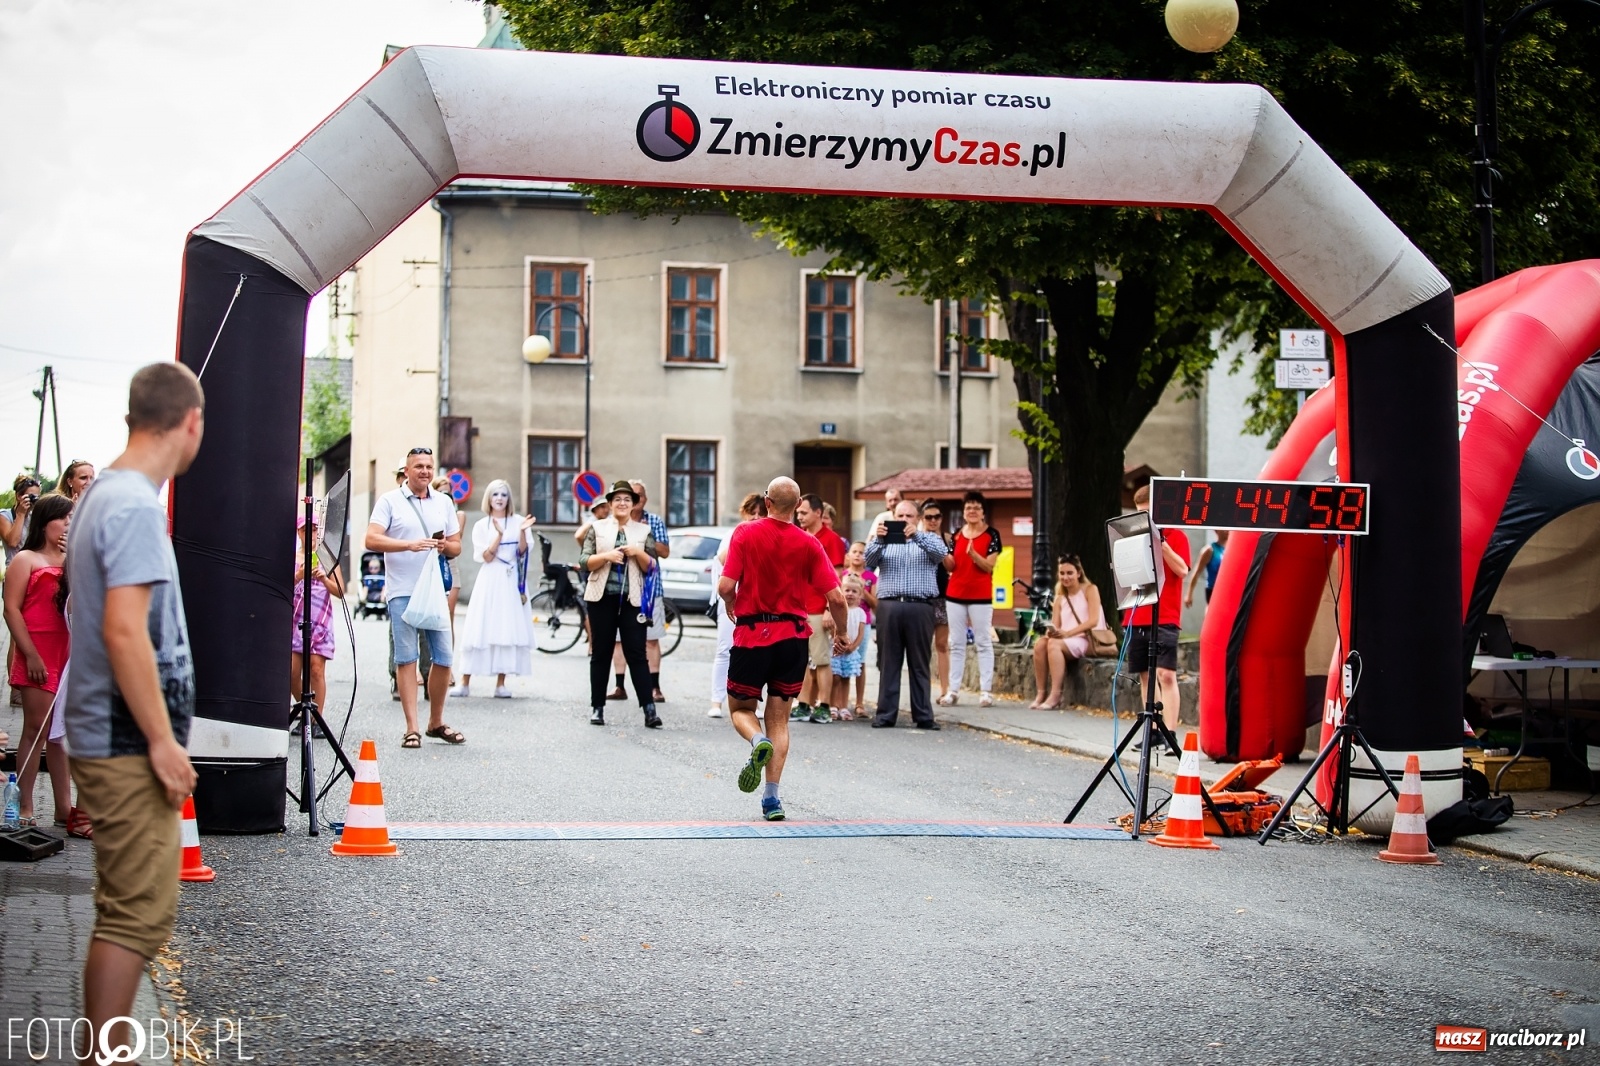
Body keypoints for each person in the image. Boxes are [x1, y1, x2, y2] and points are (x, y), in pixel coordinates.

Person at [61, 362, 202, 1055]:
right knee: (133, 919)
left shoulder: (101, 495)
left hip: (104, 732)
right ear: (191, 423)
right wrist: (163, 742)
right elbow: (124, 629)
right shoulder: (137, 505)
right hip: (123, 740)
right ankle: (105, 1055)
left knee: (125, 913)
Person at [717, 477, 846, 821]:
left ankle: (756, 740)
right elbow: (836, 597)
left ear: (767, 501)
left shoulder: (745, 533)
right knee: (781, 720)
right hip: (793, 639)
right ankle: (772, 800)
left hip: (753, 634)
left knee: (741, 710)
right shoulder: (809, 543)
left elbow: (726, 585)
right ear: (798, 502)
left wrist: (731, 603)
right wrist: (843, 633)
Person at [366, 447, 465, 748]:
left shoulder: (443, 503)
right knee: (407, 657)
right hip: (403, 590)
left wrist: (443, 546)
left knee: (444, 657)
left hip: (435, 589)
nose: (424, 471)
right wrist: (408, 545)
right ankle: (412, 727)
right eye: (418, 466)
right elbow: (371, 539)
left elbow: (456, 546)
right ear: (406, 471)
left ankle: (436, 721)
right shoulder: (389, 501)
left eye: (428, 466)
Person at [3, 493, 77, 831]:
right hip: (38, 650)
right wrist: (29, 653)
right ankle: (26, 803)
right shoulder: (26, 559)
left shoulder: (72, 560)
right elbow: (12, 609)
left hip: (68, 650)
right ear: (46, 522)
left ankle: (64, 807)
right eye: (63, 518)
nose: (67, 524)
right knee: (36, 729)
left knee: (61, 734)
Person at [580, 481, 661, 727]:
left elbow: (653, 566)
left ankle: (649, 709)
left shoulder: (643, 531)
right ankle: (597, 708)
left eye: (627, 499)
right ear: (610, 503)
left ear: (633, 504)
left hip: (632, 600)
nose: (622, 503)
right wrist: (606, 556)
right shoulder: (597, 527)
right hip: (601, 597)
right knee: (600, 653)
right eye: (617, 499)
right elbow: (584, 560)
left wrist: (637, 553)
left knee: (637, 654)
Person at [865, 498, 949, 729]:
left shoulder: (928, 538)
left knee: (919, 663)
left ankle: (923, 716)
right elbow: (868, 562)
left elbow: (941, 554)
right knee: (888, 661)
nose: (904, 521)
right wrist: (880, 540)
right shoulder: (883, 541)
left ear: (918, 519)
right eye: (900, 516)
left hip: (920, 606)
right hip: (889, 606)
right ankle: (885, 715)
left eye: (909, 516)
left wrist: (916, 536)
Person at [455, 479, 537, 698]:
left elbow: (521, 553)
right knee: (480, 625)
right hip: (490, 579)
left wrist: (521, 532)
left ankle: (501, 683)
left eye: (503, 494)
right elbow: (486, 557)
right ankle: (464, 682)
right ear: (488, 499)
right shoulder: (483, 525)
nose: (500, 498)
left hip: (511, 580)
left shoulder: (518, 521)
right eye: (495, 494)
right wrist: (499, 536)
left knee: (506, 628)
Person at [1125, 483, 1190, 736]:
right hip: (1138, 611)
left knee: (1166, 673)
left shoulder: (1176, 535)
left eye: (1150, 514)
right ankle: (1151, 730)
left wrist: (1162, 545)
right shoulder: (1135, 539)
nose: (1147, 521)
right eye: (1141, 514)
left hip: (1165, 615)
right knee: (1145, 676)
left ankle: (1170, 731)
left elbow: (1182, 570)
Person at [608, 480, 671, 704]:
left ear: (643, 499)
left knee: (651, 640)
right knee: (618, 640)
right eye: (631, 495)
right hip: (621, 587)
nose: (635, 499)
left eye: (640, 495)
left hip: (650, 588)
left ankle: (655, 688)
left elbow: (664, 551)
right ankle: (619, 685)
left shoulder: (654, 521)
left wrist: (645, 538)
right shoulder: (614, 521)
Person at [941, 490, 1002, 707]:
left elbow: (990, 566)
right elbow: (951, 565)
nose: (972, 511)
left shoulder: (992, 535)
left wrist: (975, 555)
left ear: (983, 511)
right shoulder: (957, 534)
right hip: (955, 593)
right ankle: (953, 690)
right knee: (956, 643)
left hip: (981, 595)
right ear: (964, 512)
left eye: (976, 507)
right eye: (968, 508)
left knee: (983, 641)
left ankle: (985, 691)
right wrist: (942, 554)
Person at [709, 492, 766, 719]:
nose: (755, 517)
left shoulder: (766, 535)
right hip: (730, 600)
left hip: (756, 603)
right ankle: (716, 701)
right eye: (751, 513)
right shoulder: (734, 534)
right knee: (724, 650)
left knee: (758, 653)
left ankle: (756, 702)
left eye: (760, 514)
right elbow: (722, 560)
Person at [790, 493, 844, 722]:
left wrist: (829, 609)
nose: (799, 516)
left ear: (818, 513)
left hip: (817, 608)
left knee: (821, 659)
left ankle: (824, 706)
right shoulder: (798, 537)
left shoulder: (832, 540)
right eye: (797, 513)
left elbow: (837, 577)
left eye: (803, 512)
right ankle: (802, 704)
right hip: (797, 608)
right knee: (800, 661)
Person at [289, 510, 344, 733]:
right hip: (294, 620)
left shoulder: (327, 557)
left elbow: (340, 591)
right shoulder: (292, 557)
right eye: (305, 530)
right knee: (291, 671)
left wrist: (322, 576)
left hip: (320, 620)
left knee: (316, 669)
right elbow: (282, 588)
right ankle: (305, 709)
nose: (309, 533)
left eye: (313, 529)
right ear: (298, 533)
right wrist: (298, 576)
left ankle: (316, 719)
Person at [1030, 555, 1107, 710]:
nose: (1066, 577)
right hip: (1066, 639)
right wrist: (1052, 632)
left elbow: (1093, 620)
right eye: (1062, 573)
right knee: (1040, 644)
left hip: (1085, 639)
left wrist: (1068, 633)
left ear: (1078, 573)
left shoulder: (1090, 590)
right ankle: (1041, 693)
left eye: (1069, 573)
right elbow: (1056, 625)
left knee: (1053, 645)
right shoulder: (1060, 598)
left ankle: (1056, 694)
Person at [920, 502, 955, 703]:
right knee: (922, 645)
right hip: (923, 597)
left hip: (942, 595)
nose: (933, 521)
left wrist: (941, 549)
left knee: (942, 644)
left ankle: (945, 689)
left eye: (937, 516)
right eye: (928, 517)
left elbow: (953, 565)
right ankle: (923, 689)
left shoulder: (948, 539)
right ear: (922, 519)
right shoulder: (917, 538)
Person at [842, 540, 877, 718]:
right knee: (839, 663)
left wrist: (862, 588)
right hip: (844, 621)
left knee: (860, 662)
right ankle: (841, 703)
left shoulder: (871, 577)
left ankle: (860, 702)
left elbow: (875, 604)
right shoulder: (843, 574)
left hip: (863, 623)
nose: (857, 555)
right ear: (848, 555)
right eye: (854, 551)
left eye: (861, 552)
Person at [828, 575, 868, 718]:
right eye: (847, 590)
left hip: (851, 651)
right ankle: (833, 705)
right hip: (837, 649)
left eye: (854, 591)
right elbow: (833, 628)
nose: (850, 594)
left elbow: (861, 633)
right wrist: (837, 644)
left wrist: (853, 646)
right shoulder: (838, 610)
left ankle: (844, 707)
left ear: (860, 595)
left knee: (846, 678)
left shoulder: (861, 613)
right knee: (835, 677)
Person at [2, 474, 41, 565]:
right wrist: (21, 514)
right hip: (14, 568)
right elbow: (13, 542)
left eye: (37, 497)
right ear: (19, 496)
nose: (34, 500)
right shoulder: (5, 515)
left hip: (33, 567)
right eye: (31, 496)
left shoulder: (35, 516)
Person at [1185, 529, 1230, 606]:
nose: (1227, 531)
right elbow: (1197, 572)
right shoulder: (1209, 550)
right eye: (1224, 529)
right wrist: (1189, 594)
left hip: (1228, 590)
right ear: (1217, 531)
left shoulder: (1231, 550)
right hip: (1213, 590)